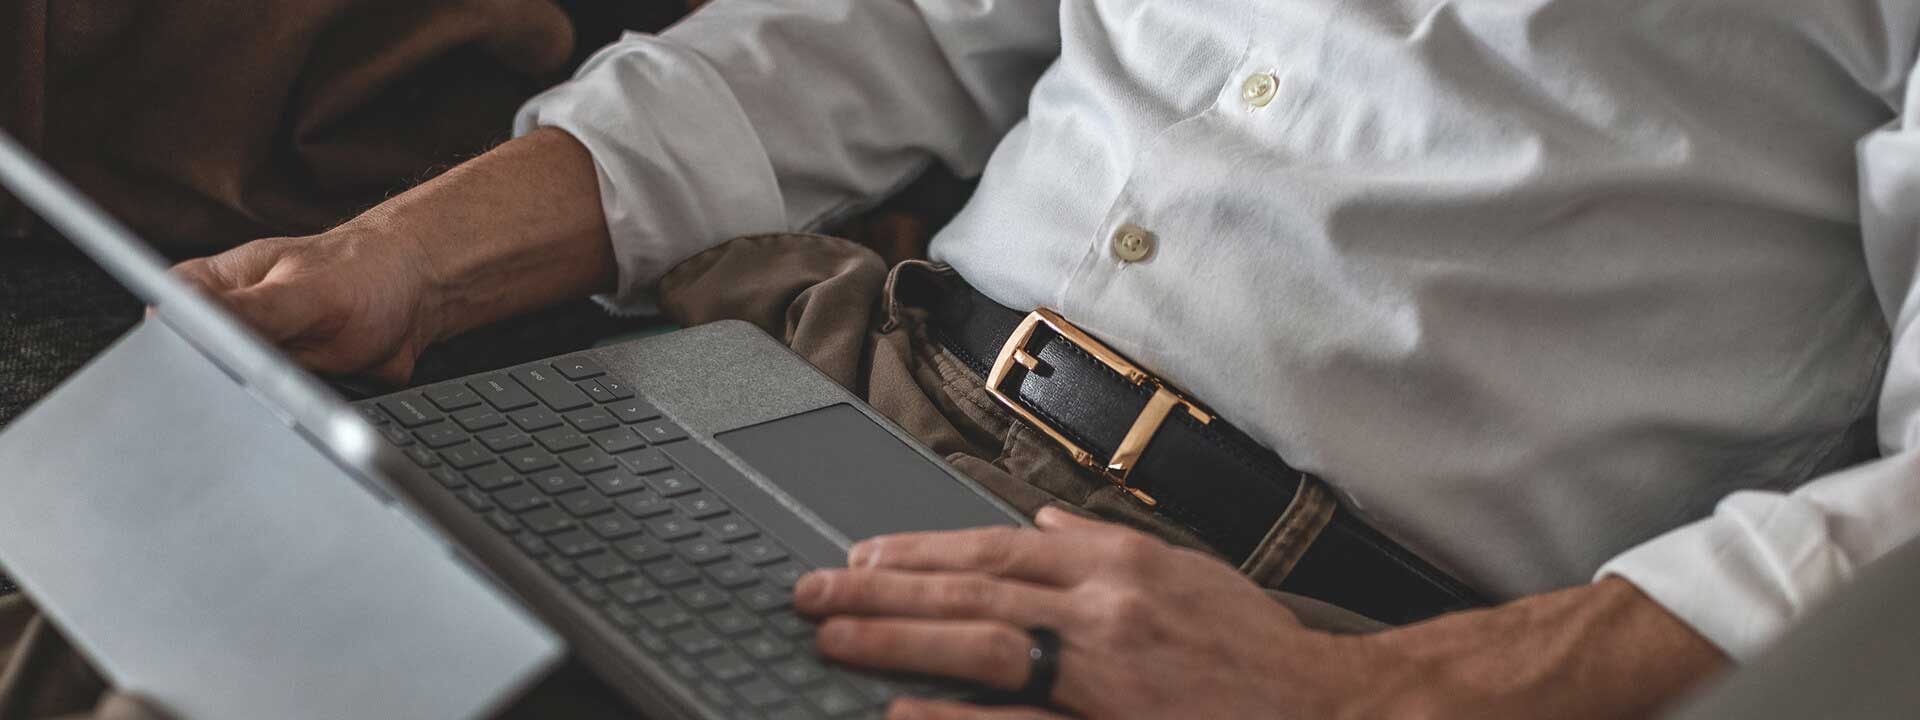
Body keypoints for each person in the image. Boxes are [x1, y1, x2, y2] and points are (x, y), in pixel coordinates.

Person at [158, 1, 1920, 717]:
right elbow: (904, 26)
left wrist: (1353, 699)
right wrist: (405, 258)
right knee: (175, 614)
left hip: (1272, 626)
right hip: (818, 373)